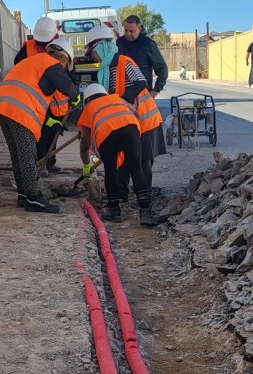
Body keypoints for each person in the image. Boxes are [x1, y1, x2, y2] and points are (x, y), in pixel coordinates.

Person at [0, 38, 80, 214]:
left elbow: (38, 94)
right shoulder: (51, 63)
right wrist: (76, 96)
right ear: (63, 59)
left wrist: (50, 121)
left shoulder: (34, 62)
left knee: (18, 154)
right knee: (27, 153)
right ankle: (33, 197)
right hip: (18, 111)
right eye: (65, 65)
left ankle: (24, 195)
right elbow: (67, 86)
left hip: (4, 108)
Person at [86, 24, 164, 219]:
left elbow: (141, 83)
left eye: (92, 51)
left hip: (143, 117)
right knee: (129, 160)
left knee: (141, 161)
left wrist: (122, 100)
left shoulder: (124, 62)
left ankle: (145, 205)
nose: (92, 56)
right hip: (126, 119)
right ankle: (121, 196)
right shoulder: (105, 69)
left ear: (102, 47)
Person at [77, 84, 153, 226]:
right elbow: (136, 114)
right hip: (131, 128)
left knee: (110, 170)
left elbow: (85, 144)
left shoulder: (88, 109)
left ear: (87, 100)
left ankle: (114, 210)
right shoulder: (117, 99)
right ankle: (145, 212)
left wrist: (87, 164)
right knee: (136, 168)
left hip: (107, 135)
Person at [14, 17, 70, 173]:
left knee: (54, 130)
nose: (43, 46)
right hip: (35, 98)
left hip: (55, 99)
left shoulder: (60, 47)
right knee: (38, 132)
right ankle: (39, 163)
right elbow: (18, 69)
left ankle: (50, 162)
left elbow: (66, 70)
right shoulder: (26, 49)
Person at [116, 15, 168, 94]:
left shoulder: (148, 44)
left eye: (132, 31)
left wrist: (156, 90)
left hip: (143, 93)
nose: (128, 34)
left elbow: (162, 69)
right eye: (126, 30)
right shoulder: (119, 42)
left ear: (139, 29)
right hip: (122, 93)